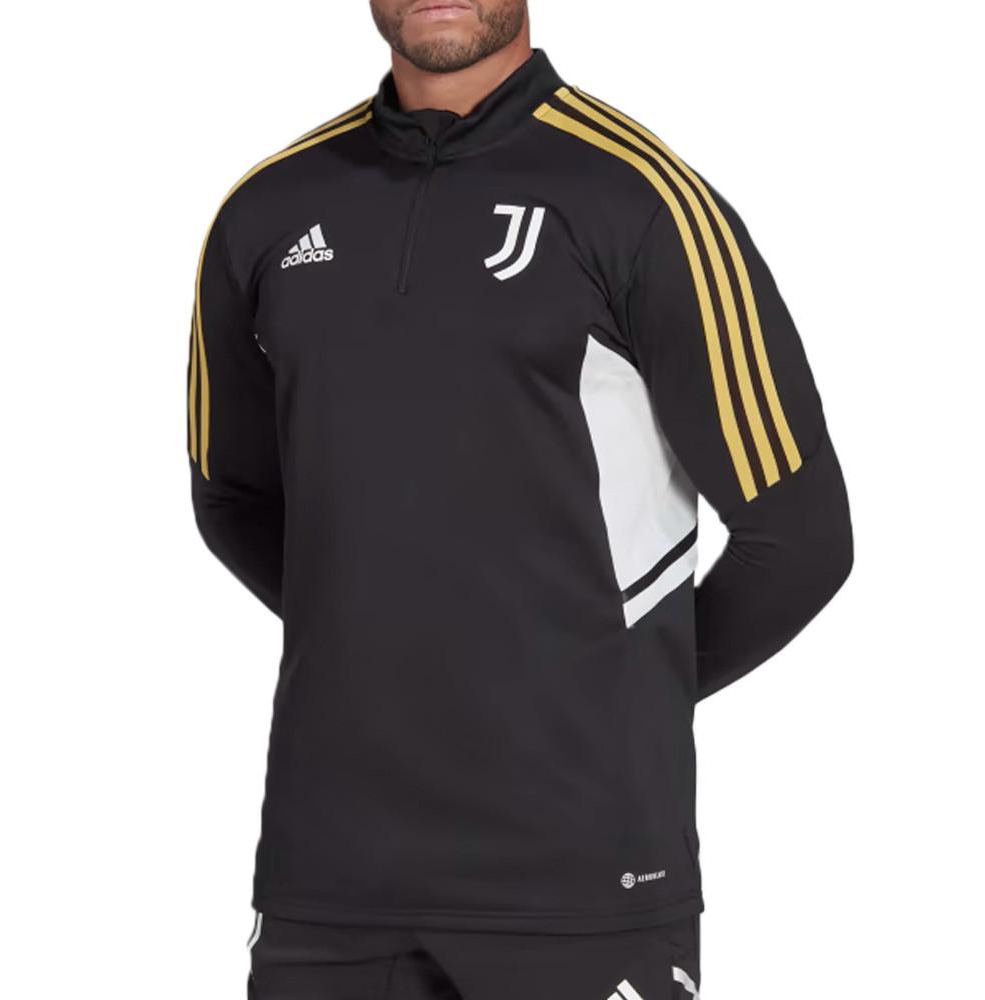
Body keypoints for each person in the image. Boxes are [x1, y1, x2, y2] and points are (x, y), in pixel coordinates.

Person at [186, 1, 853, 996]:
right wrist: (396, 659)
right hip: (328, 881)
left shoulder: (643, 200)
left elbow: (799, 537)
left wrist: (595, 695)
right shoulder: (267, 211)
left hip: (581, 877)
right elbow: (232, 495)